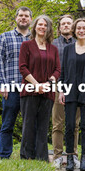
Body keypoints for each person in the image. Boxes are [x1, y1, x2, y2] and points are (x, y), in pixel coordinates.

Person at [58, 18, 85, 171]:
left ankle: (84, 159)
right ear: (74, 31)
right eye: (79, 28)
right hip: (70, 91)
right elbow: (62, 72)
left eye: (84, 28)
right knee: (69, 125)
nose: (81, 31)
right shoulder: (68, 49)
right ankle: (70, 157)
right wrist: (61, 90)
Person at [19, 15, 60, 160]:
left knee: (43, 126)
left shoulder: (53, 49)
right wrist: (36, 85)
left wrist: (48, 84)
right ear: (35, 26)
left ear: (48, 29)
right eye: (40, 24)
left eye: (45, 25)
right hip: (30, 91)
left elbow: (57, 70)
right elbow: (22, 67)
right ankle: (26, 157)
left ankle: (41, 158)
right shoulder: (26, 45)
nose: (42, 27)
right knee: (28, 125)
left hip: (47, 92)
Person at [0, 6, 32, 159]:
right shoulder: (5, 37)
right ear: (16, 18)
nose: (23, 18)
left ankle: (28, 155)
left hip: (30, 89)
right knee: (7, 124)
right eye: (21, 15)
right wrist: (2, 84)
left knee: (30, 125)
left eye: (26, 16)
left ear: (30, 19)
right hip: (11, 88)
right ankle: (4, 156)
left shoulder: (35, 39)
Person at [51, 15, 81, 169]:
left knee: (74, 124)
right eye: (63, 23)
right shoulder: (53, 44)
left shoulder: (80, 43)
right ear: (59, 27)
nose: (66, 25)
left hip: (76, 89)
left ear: (73, 26)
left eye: (69, 23)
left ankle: (73, 155)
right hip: (57, 87)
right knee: (58, 124)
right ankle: (57, 156)